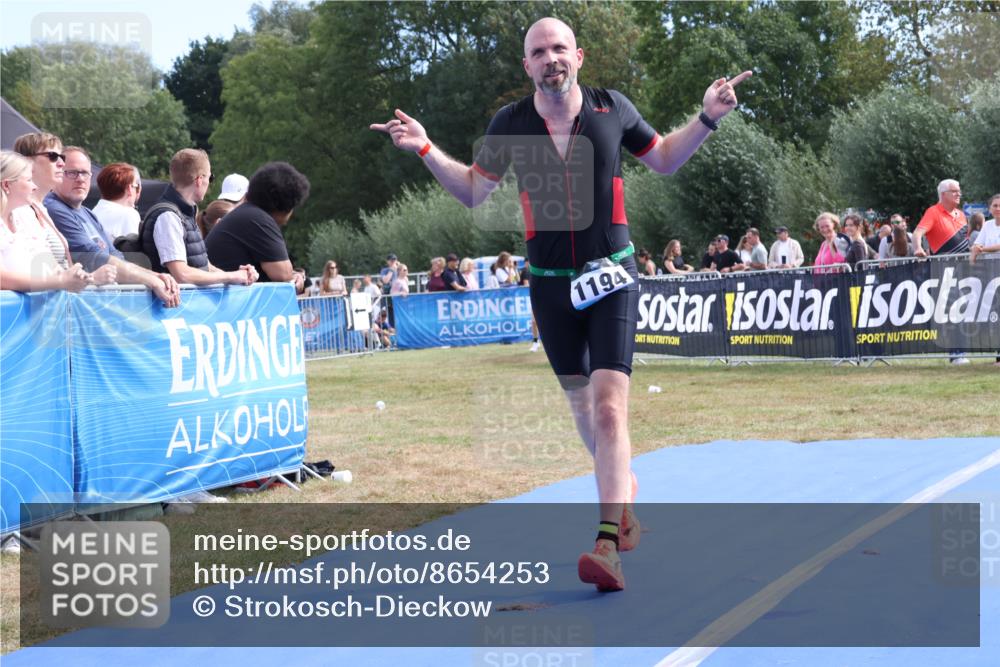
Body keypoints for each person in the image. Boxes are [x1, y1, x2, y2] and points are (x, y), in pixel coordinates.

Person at [371, 16, 751, 591]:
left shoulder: (611, 108)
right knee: (580, 410)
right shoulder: (511, 123)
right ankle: (620, 488)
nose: (550, 59)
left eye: (559, 49)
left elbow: (665, 158)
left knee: (607, 408)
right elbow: (475, 191)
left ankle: (606, 542)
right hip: (549, 284)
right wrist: (425, 147)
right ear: (526, 65)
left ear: (580, 55)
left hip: (612, 276)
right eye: (538, 52)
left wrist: (706, 118)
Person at [42, 147, 179, 307]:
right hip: (78, 308)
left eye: (85, 173)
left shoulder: (88, 213)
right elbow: (95, 258)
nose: (80, 179)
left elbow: (116, 257)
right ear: (58, 173)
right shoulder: (54, 209)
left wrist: (156, 276)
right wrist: (153, 279)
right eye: (72, 173)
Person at [144, 149, 256, 287]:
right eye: (210, 178)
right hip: (175, 307)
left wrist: (239, 277)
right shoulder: (168, 217)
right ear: (199, 180)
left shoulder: (184, 213)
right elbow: (182, 274)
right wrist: (232, 276)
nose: (209, 183)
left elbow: (203, 266)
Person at [205, 161, 310, 293]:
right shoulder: (258, 219)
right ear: (285, 207)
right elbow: (282, 274)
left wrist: (295, 274)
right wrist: (295, 276)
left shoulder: (247, 214)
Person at [1, 150, 92, 292]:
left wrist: (84, 278)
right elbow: (2, 278)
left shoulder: (24, 218)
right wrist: (61, 281)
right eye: (29, 180)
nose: (34, 186)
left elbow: (48, 265)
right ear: (6, 185)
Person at [913, 179, 970, 258]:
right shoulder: (933, 212)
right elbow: (917, 232)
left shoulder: (961, 214)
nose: (959, 194)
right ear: (943, 194)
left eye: (959, 191)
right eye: (954, 191)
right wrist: (918, 248)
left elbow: (966, 240)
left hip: (965, 265)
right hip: (944, 266)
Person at [92, 162, 142, 240]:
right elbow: (133, 250)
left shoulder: (92, 213)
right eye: (136, 186)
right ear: (129, 188)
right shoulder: (129, 214)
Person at [970, 194, 1000, 265]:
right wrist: (974, 248)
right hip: (990, 268)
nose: (998, 208)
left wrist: (982, 249)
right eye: (995, 206)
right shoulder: (987, 225)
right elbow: (977, 244)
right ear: (990, 209)